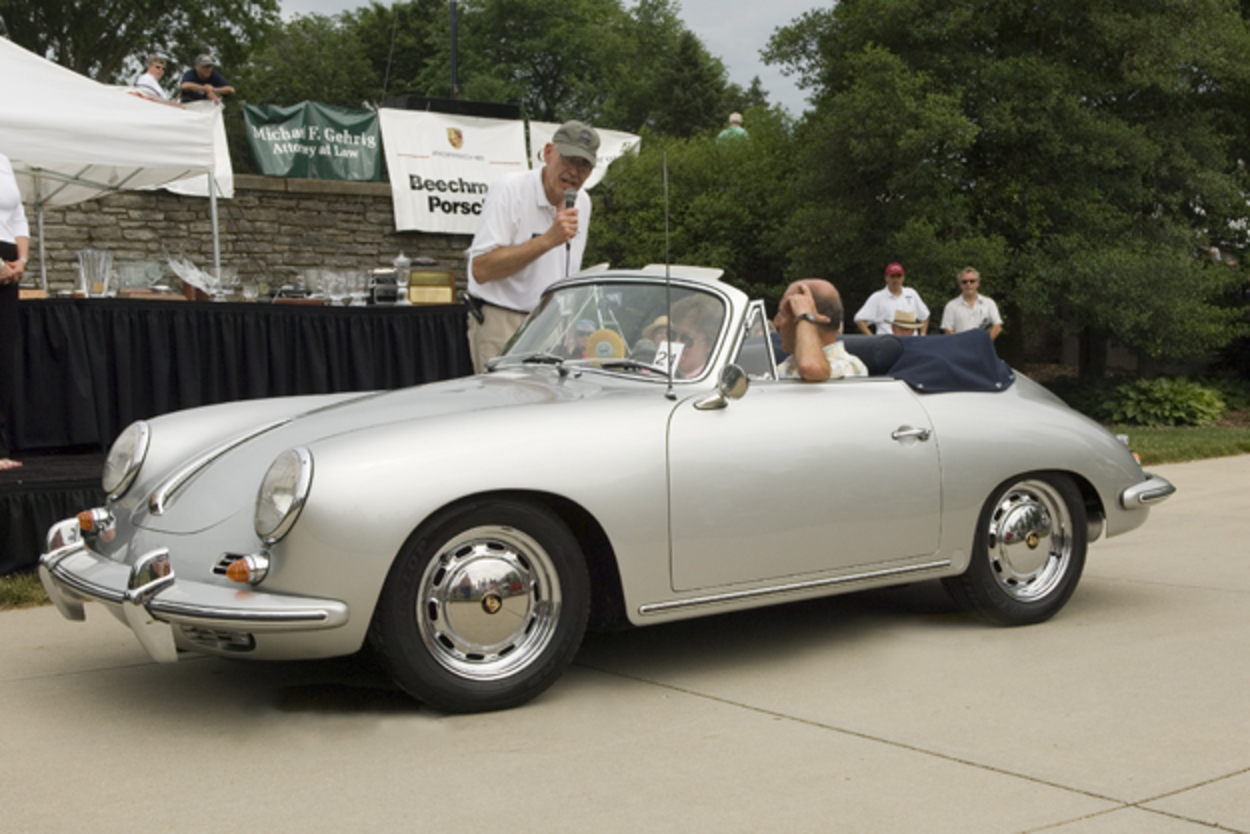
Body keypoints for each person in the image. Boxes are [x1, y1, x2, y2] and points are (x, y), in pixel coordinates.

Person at [465, 120, 600, 373]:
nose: (574, 171)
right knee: (502, 410)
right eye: (568, 159)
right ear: (548, 153)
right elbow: (481, 270)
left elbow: (564, 272)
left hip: (550, 327)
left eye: (584, 165)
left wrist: (566, 322)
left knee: (541, 411)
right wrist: (548, 240)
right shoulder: (510, 189)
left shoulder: (582, 201)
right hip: (501, 321)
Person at [0, 151, 30, 471]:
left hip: (9, 263)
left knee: (3, 356)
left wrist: (20, 261)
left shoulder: (4, 161)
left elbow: (17, 216)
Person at [773, 279, 867, 381]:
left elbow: (811, 368)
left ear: (813, 320)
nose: (776, 323)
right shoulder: (785, 367)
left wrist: (805, 315)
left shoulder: (850, 366)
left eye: (783, 314)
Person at [854, 262, 930, 337]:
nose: (896, 280)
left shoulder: (911, 294)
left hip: (912, 342)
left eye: (898, 276)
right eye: (893, 276)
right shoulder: (878, 297)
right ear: (886, 278)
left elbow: (924, 316)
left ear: (903, 277)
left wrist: (922, 336)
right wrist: (872, 339)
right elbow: (860, 319)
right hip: (887, 342)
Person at [665, 294, 724, 379]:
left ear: (710, 344)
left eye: (686, 339)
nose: (676, 343)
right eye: (672, 334)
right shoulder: (657, 370)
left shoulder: (711, 379)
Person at [940, 267, 1003, 340]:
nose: (968, 284)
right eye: (964, 282)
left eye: (972, 281)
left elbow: (997, 326)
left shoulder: (989, 303)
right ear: (960, 285)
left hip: (984, 348)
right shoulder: (951, 306)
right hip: (960, 349)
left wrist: (985, 343)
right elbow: (948, 330)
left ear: (978, 283)